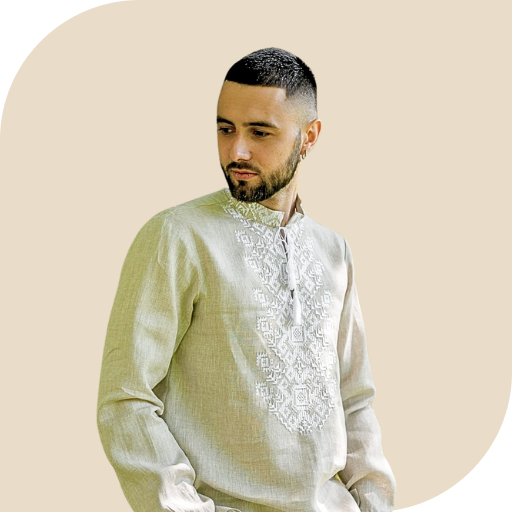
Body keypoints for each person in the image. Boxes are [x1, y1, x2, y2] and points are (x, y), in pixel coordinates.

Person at [97, 47, 396, 512]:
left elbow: (355, 400)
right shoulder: (177, 236)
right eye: (225, 128)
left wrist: (375, 503)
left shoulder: (333, 251)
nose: (236, 150)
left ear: (309, 137)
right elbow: (126, 398)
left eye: (260, 132)